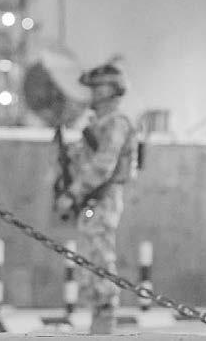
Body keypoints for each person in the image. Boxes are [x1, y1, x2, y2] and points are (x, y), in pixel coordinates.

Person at [54, 58, 136, 334]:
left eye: (98, 88)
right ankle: (98, 322)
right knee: (90, 259)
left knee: (100, 258)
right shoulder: (97, 124)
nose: (92, 93)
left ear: (110, 90)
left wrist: (73, 193)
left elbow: (103, 165)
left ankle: (105, 323)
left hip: (103, 198)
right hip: (92, 200)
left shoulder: (116, 123)